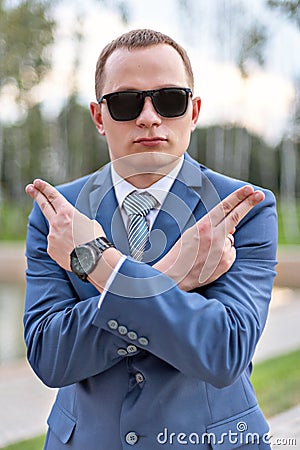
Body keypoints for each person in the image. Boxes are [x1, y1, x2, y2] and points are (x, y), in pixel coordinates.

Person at [24, 29, 277, 450]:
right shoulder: (58, 212)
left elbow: (224, 350)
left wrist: (100, 265)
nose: (148, 117)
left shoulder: (242, 208)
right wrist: (169, 278)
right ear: (99, 117)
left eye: (169, 100)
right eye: (125, 102)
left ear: (193, 111)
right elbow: (51, 355)